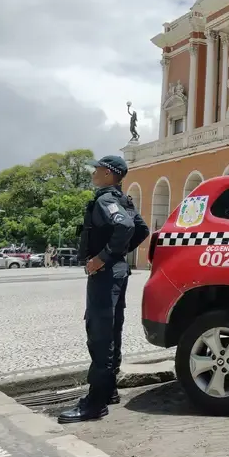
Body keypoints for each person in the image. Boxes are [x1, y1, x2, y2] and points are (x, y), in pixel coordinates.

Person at [58, 155, 149, 424]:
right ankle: (109, 391)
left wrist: (104, 257)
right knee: (112, 330)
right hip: (118, 271)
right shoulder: (123, 200)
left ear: (109, 174)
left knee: (99, 334)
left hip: (105, 274)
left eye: (98, 169)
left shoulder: (105, 200)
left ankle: (94, 403)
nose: (94, 172)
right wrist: (119, 255)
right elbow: (141, 230)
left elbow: (126, 226)